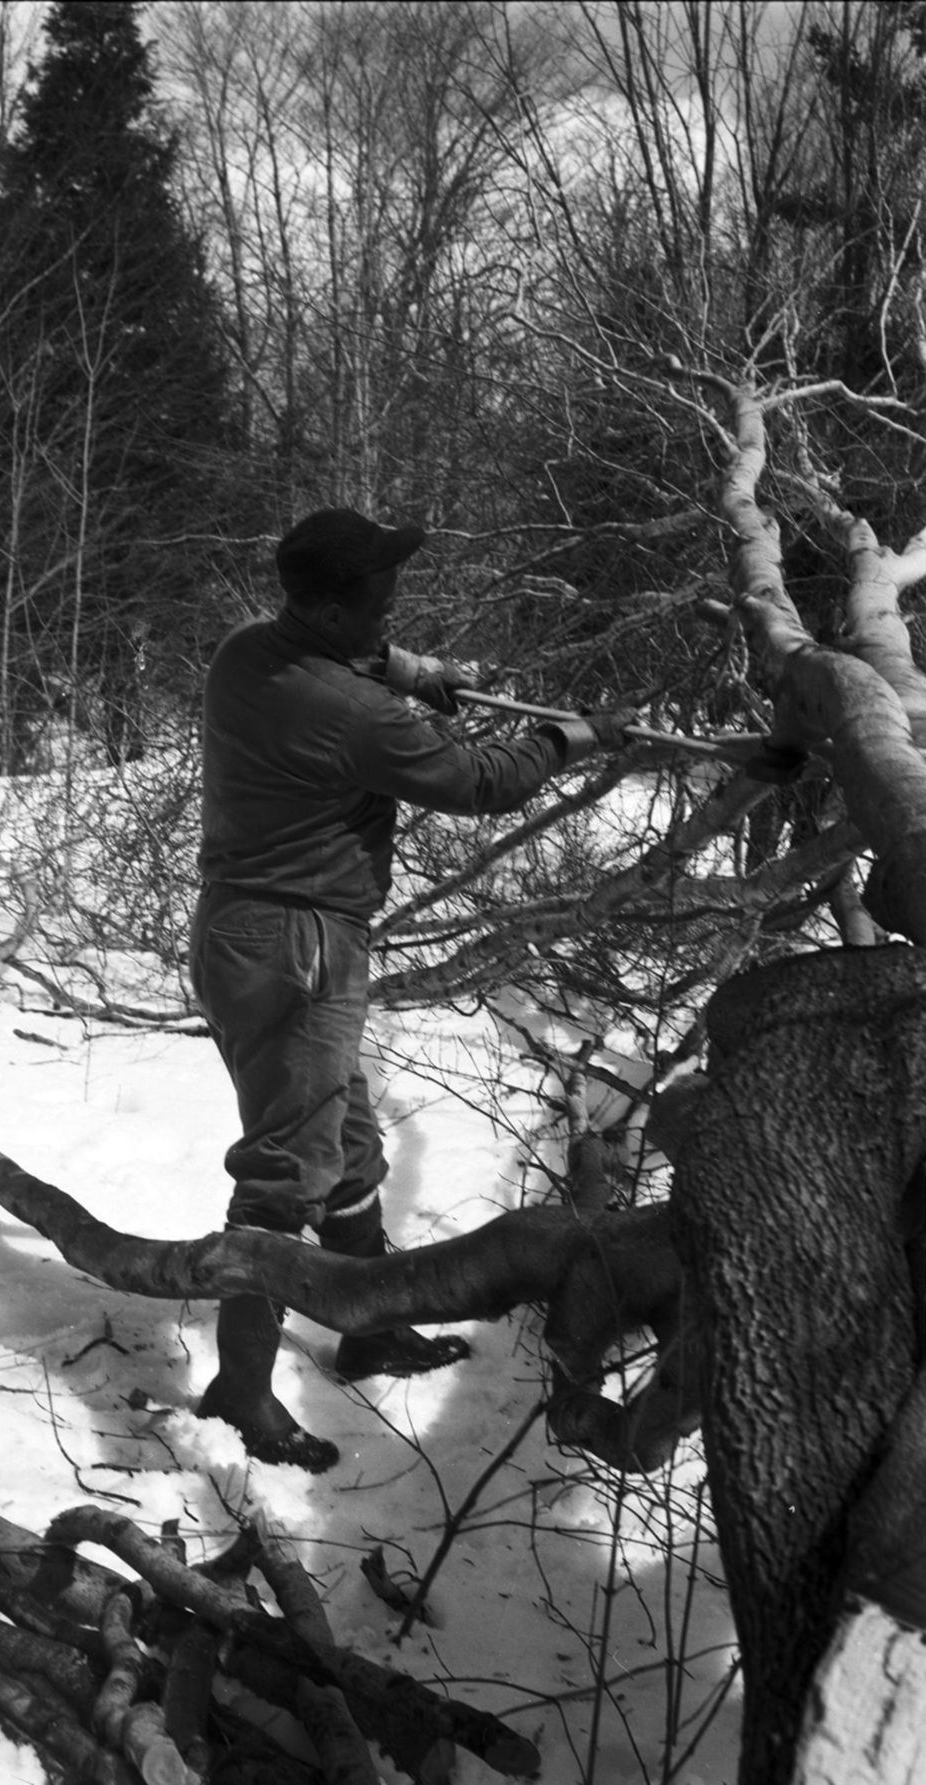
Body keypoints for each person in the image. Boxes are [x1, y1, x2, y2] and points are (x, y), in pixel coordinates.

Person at [190, 507, 638, 1471]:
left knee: (345, 1144)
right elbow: (478, 779)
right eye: (380, 598)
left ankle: (369, 1325)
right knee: (285, 1171)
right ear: (330, 605)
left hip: (251, 934)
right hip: (296, 944)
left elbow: (364, 669)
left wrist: (412, 669)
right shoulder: (349, 713)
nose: (393, 603)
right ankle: (242, 1387)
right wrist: (576, 735)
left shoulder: (248, 652)